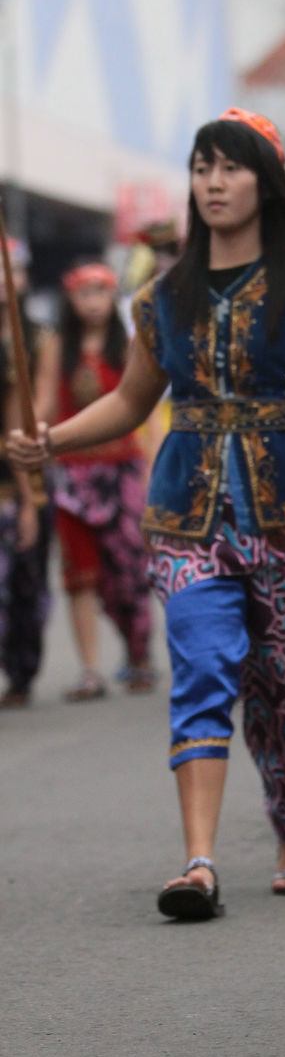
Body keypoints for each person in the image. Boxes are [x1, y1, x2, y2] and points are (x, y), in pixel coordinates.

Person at [9, 107, 285, 913]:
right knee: (200, 670)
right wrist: (51, 439)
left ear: (265, 183)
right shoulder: (162, 295)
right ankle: (197, 861)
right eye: (202, 167)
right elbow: (134, 402)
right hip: (187, 519)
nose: (213, 183)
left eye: (230, 168)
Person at [47, 260, 154, 700]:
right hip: (71, 474)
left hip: (122, 470)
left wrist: (152, 470)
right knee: (80, 575)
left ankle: (137, 653)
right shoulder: (57, 346)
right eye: (83, 293)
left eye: (100, 292)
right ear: (70, 300)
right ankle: (89, 667)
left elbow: (144, 409)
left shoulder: (129, 344)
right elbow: (43, 403)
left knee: (129, 569)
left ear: (112, 297)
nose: (92, 302)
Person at [0, 238, 53, 708]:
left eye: (10, 270)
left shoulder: (37, 338)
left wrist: (27, 496)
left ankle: (21, 673)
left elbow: (28, 417)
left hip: (22, 473)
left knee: (26, 586)